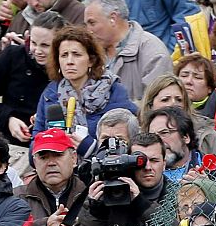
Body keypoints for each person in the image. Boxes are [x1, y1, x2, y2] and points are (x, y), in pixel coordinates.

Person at [32, 24, 139, 156]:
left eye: (76, 55)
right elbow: (35, 144)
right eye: (64, 55)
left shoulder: (114, 91)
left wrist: (90, 148)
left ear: (91, 60)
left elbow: (127, 146)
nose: (69, 61)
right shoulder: (50, 93)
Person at [0, 10, 59, 146]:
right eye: (34, 43)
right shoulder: (14, 56)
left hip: (51, 142)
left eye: (45, 45)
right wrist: (8, 118)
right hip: (10, 139)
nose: (37, 51)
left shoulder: (66, 66)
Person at [82, 0, 172, 106]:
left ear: (113, 18)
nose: (88, 31)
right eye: (86, 25)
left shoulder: (154, 53)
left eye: (92, 23)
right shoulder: (89, 53)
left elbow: (157, 105)